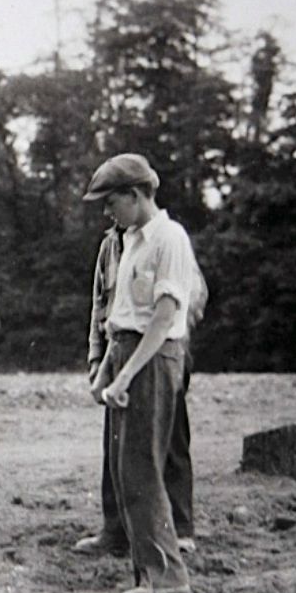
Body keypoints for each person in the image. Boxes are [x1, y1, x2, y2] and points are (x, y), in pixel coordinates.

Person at [83, 153, 198, 593]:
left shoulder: (170, 238)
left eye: (112, 202)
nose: (107, 213)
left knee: (143, 471)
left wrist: (127, 375)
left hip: (153, 359)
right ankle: (148, 576)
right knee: (125, 470)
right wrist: (105, 371)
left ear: (135, 195)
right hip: (127, 354)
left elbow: (163, 316)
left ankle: (169, 582)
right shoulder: (130, 240)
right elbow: (120, 314)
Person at [75, 220, 207, 558]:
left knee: (170, 440)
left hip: (163, 353)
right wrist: (96, 356)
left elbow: (192, 297)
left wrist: (168, 343)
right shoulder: (110, 246)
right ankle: (116, 529)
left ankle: (179, 528)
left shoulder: (166, 239)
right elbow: (100, 305)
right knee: (116, 444)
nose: (109, 213)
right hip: (118, 354)